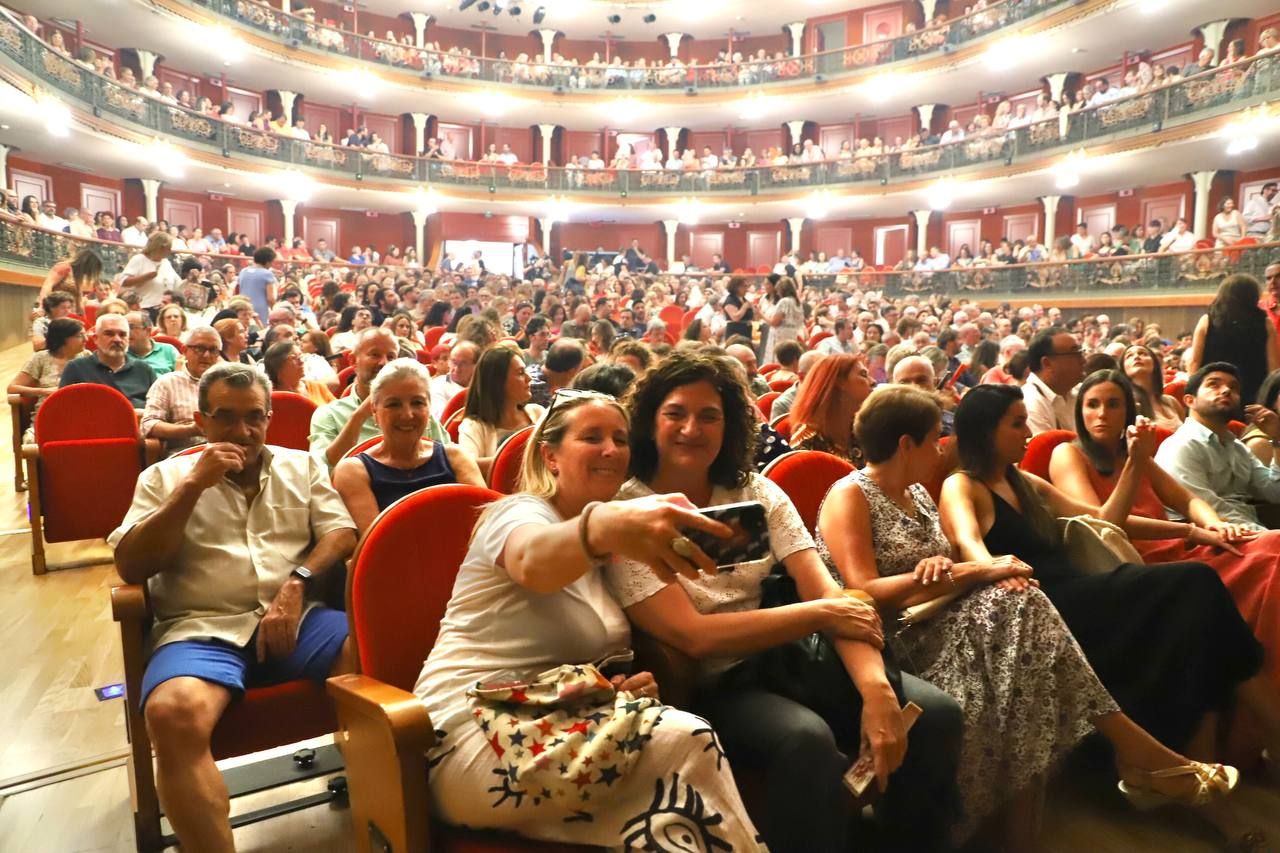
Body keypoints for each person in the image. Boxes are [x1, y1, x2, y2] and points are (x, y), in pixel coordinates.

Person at [820, 385, 1238, 847]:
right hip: (896, 640)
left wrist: (951, 572)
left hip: (940, 620)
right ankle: (1140, 755)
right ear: (906, 445)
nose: (943, 447)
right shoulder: (850, 494)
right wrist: (963, 571)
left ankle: (1121, 769)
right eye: (934, 438)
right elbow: (860, 593)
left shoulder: (916, 494)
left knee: (1027, 622)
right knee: (1023, 604)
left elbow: (954, 568)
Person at [604, 353, 964, 852]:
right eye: (675, 414)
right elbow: (695, 635)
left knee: (935, 713)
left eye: (709, 415)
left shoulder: (755, 491)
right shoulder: (627, 511)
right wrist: (818, 614)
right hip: (715, 680)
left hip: (792, 658)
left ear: (729, 424)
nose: (692, 428)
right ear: (649, 421)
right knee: (806, 740)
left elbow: (829, 594)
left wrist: (877, 691)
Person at [413, 390, 763, 848]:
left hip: (552, 724)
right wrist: (601, 526)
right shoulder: (518, 513)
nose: (611, 450)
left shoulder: (609, 556)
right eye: (591, 437)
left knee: (669, 827)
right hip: (468, 734)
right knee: (684, 739)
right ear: (551, 457)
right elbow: (531, 563)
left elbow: (565, 667)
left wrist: (614, 687)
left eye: (620, 439)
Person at [939, 385, 1266, 815]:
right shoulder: (962, 485)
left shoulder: (1023, 480)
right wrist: (998, 567)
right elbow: (967, 542)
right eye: (1017, 424)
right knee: (1195, 584)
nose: (1028, 434)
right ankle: (1222, 752)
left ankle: (1196, 776)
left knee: (1196, 612)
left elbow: (1104, 521)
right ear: (984, 431)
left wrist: (1187, 530)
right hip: (1042, 603)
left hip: (1078, 592)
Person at [109, 363, 357, 852]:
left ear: (269, 418)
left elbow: (341, 533)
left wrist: (297, 584)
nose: (242, 432)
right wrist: (192, 487)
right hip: (202, 627)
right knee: (171, 712)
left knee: (375, 658)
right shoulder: (165, 478)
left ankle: (384, 813)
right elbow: (132, 565)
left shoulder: (300, 466)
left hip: (298, 618)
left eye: (254, 418)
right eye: (226, 417)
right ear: (201, 423)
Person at [1053, 370, 1280, 689]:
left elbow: (1186, 500)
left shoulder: (1134, 453)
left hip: (1178, 546)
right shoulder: (1067, 453)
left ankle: (1269, 670)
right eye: (1092, 404)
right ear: (1080, 411)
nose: (1102, 413)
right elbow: (1103, 523)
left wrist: (1213, 523)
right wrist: (1191, 531)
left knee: (1272, 545)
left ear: (1127, 413)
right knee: (1268, 554)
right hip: (1133, 561)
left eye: (1113, 404)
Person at [333, 359, 483, 534]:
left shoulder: (456, 458)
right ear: (374, 411)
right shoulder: (354, 472)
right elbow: (378, 545)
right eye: (393, 404)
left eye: (417, 403)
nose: (407, 414)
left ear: (429, 408)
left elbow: (486, 526)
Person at [1156, 362, 1280, 530]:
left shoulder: (1237, 447)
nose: (1226, 390)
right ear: (1190, 400)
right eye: (1213, 384)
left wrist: (1277, 439)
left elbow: (1275, 492)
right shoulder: (1181, 446)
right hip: (1209, 539)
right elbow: (1213, 513)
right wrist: (1268, 536)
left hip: (1249, 531)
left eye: (1233, 387)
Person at [310, 328, 448, 468]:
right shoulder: (330, 414)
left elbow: (449, 460)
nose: (384, 363)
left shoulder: (416, 410)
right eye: (375, 355)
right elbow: (321, 470)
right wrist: (359, 416)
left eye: (391, 357)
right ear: (353, 360)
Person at [1188, 274, 1280, 406]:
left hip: (1214, 392)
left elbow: (1194, 362)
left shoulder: (1207, 320)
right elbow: (1274, 367)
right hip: (1255, 393)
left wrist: (1194, 392)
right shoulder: (1265, 323)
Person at [459, 347, 546, 478]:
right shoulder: (474, 426)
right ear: (498, 382)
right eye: (521, 373)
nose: (529, 378)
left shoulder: (537, 413)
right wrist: (527, 459)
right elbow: (467, 465)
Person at [140, 326, 223, 455]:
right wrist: (191, 429)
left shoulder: (227, 383)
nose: (207, 355)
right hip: (185, 456)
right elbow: (149, 426)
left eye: (213, 350)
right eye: (200, 349)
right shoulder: (167, 383)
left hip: (227, 451)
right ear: (184, 350)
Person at [788, 353, 873, 464]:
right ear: (839, 382)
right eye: (863, 375)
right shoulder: (806, 442)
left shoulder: (865, 430)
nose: (873, 381)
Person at [8, 318, 85, 440]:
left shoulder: (87, 356)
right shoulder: (41, 358)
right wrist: (45, 391)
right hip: (46, 417)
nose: (86, 339)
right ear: (64, 338)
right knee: (31, 440)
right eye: (80, 335)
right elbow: (12, 388)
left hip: (81, 418)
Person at [59, 314, 157, 408]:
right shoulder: (76, 368)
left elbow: (157, 410)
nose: (117, 339)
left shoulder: (144, 370)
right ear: (96, 339)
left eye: (122, 335)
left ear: (128, 339)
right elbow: (64, 409)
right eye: (109, 334)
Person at [1021, 326, 1084, 434]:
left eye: (1081, 353)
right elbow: (1046, 450)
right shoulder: (1030, 403)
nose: (1083, 360)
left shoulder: (1078, 392)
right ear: (1047, 363)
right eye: (1075, 354)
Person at [1120, 343, 1183, 430]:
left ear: (1154, 363)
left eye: (1143, 353)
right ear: (1123, 368)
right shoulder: (1128, 404)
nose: (1137, 357)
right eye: (1129, 356)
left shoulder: (1172, 402)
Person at [118, 232, 180, 316]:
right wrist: (147, 277)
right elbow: (123, 282)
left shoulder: (166, 262)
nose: (170, 251)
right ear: (158, 247)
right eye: (167, 248)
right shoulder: (139, 259)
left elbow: (177, 284)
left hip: (164, 309)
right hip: (145, 308)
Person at [262, 341, 336, 407]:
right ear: (277, 365)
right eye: (293, 358)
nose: (301, 361)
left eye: (301, 356)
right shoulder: (270, 398)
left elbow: (338, 412)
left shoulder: (317, 387)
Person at [39, 247, 102, 312]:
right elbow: (48, 285)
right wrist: (42, 307)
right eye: (93, 269)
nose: (91, 272)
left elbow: (78, 299)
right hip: (54, 310)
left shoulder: (78, 276)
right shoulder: (65, 267)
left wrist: (81, 315)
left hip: (69, 313)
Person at [428, 341, 478, 420]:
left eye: (463, 364)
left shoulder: (483, 387)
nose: (456, 369)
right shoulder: (438, 386)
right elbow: (442, 419)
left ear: (476, 366)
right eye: (454, 362)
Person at [762, 276, 803, 365]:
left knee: (778, 358)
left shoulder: (784, 301)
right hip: (793, 333)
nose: (778, 293)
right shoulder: (797, 302)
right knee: (789, 357)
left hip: (780, 334)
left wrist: (761, 315)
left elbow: (775, 322)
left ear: (782, 290)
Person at [127, 311, 179, 376]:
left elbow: (181, 377)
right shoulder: (121, 353)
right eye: (124, 327)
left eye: (131, 327)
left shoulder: (168, 350)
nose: (126, 332)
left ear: (148, 331)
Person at [237, 247, 277, 328]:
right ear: (267, 261)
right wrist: (274, 310)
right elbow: (270, 298)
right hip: (260, 309)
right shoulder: (267, 274)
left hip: (242, 307)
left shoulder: (243, 271)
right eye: (272, 262)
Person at [721, 276, 754, 341]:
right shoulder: (730, 300)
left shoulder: (744, 299)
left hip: (746, 331)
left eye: (747, 286)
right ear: (736, 287)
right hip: (735, 332)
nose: (746, 289)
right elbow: (735, 318)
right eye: (744, 286)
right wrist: (744, 307)